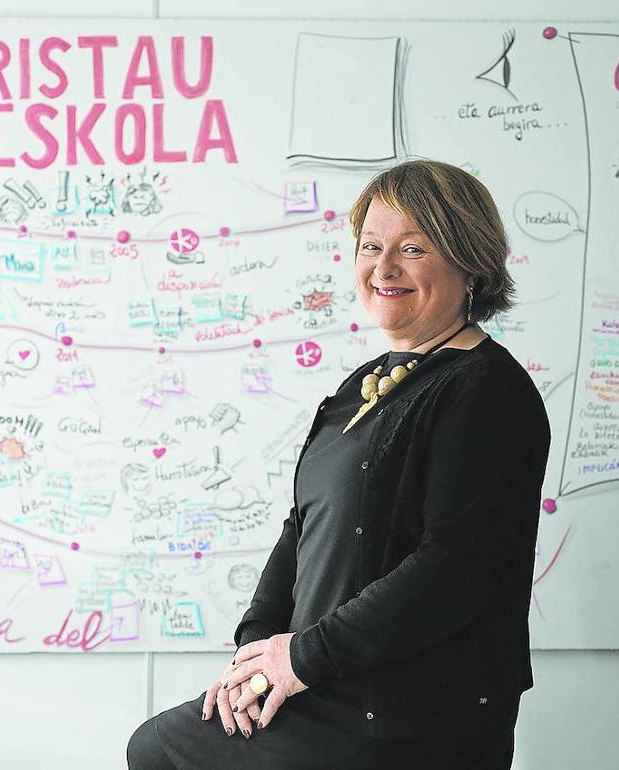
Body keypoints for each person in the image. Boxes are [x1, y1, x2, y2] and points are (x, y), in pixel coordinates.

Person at [128, 159, 551, 769]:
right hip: (328, 681)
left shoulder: (487, 392)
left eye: (413, 248)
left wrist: (300, 660)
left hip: (407, 712)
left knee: (161, 753)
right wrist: (255, 656)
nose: (384, 268)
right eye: (371, 246)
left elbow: (453, 568)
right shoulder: (362, 387)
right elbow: (301, 530)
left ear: (471, 263)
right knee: (159, 747)